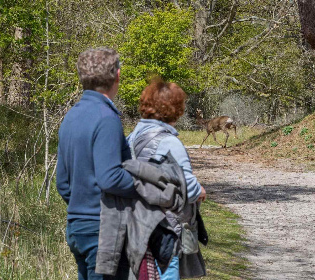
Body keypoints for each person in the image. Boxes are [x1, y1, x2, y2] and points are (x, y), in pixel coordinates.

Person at [56, 47, 137, 280]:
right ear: (118, 76)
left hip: (77, 229)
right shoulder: (106, 118)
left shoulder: (71, 116)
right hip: (103, 231)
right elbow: (109, 177)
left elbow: (62, 183)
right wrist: (144, 183)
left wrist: (82, 208)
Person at [126, 77, 207, 279]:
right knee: (167, 271)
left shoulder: (132, 137)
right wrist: (200, 190)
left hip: (137, 223)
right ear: (174, 109)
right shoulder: (169, 142)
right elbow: (187, 185)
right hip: (166, 227)